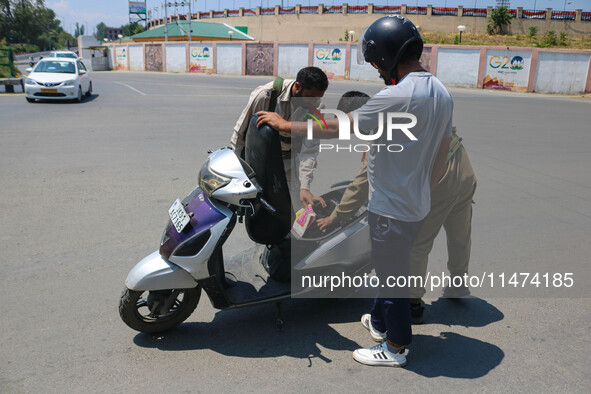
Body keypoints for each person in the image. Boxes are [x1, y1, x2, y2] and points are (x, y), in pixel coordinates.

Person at [256, 15, 453, 368]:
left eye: (377, 63)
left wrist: (287, 123)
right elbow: (441, 150)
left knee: (392, 277)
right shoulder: (441, 92)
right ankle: (379, 322)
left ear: (387, 57)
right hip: (414, 204)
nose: (378, 71)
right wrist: (424, 192)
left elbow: (336, 126)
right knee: (387, 265)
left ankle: (394, 347)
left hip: (390, 208)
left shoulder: (395, 96)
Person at [316, 125, 477, 324]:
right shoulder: (401, 110)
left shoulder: (380, 134)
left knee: (418, 243)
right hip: (464, 170)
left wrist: (335, 216)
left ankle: (412, 305)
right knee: (459, 235)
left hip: (440, 180)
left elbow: (362, 182)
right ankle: (458, 284)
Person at [230, 66, 329, 209]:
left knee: (295, 209)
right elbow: (240, 134)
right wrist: (238, 172)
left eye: (318, 98)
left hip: (289, 163)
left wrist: (305, 186)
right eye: (311, 97)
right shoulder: (266, 95)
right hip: (261, 161)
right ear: (297, 86)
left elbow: (309, 150)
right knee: (258, 208)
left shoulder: (317, 108)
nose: (314, 102)